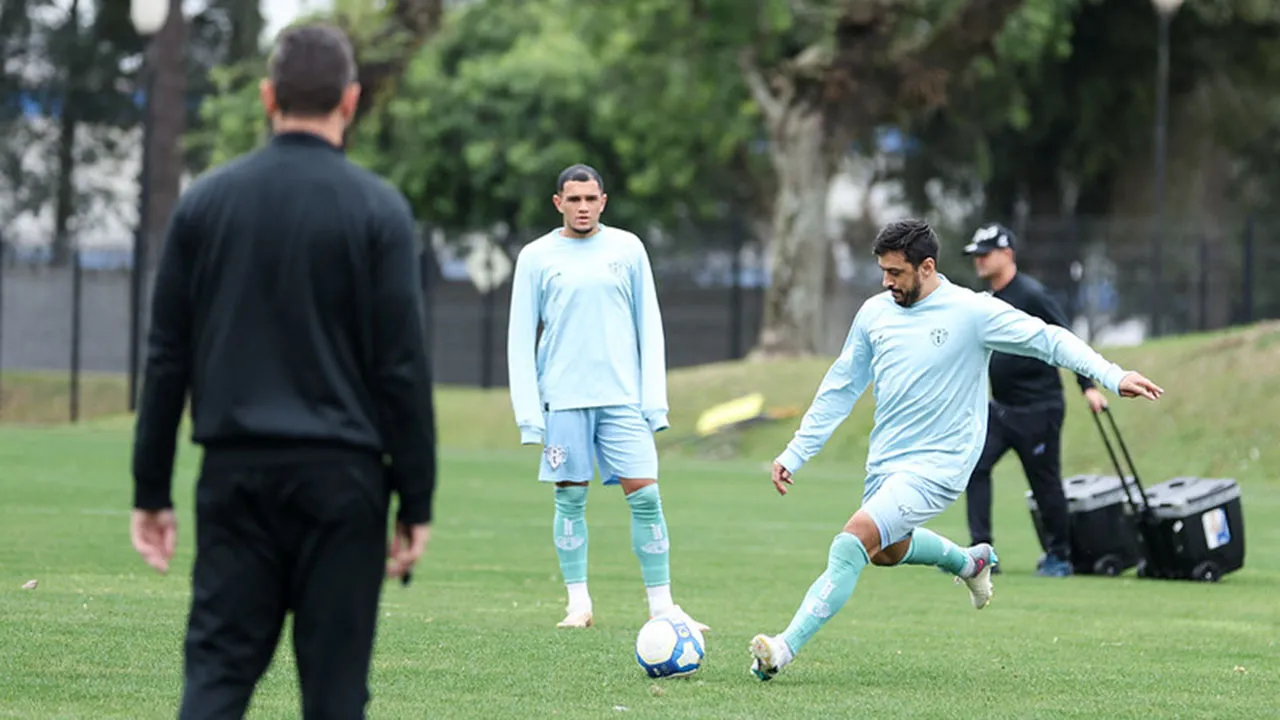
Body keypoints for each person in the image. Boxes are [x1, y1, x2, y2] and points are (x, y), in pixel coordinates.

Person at [129, 23, 437, 719]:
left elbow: (166, 356)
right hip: (345, 482)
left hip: (236, 476)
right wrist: (415, 498)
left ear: (267, 97)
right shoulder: (379, 211)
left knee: (216, 678)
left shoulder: (204, 204)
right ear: (350, 102)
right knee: (334, 694)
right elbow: (401, 368)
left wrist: (151, 487)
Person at [748, 219, 1162, 681]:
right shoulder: (874, 313)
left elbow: (1048, 339)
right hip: (887, 460)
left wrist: (1110, 375)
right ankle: (970, 562)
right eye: (882, 271)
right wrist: (796, 452)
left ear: (927, 267)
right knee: (886, 550)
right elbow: (840, 388)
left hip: (941, 465)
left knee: (853, 540)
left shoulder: (971, 311)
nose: (887, 282)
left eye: (896, 273)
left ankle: (782, 649)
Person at [506, 163, 708, 633]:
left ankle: (663, 606)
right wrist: (529, 416)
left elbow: (649, 327)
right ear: (558, 203)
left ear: (603, 201)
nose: (582, 208)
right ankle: (578, 604)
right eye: (573, 200)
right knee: (570, 499)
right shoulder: (536, 256)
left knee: (647, 497)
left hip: (622, 400)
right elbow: (519, 337)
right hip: (564, 399)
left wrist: (653, 403)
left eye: (590, 199)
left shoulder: (628, 248)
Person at [962, 223, 1107, 577]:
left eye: (986, 253)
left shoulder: (1031, 294)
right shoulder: (989, 301)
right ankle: (982, 554)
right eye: (977, 255)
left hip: (1039, 408)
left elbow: (1064, 338)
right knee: (974, 468)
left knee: (1044, 482)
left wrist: (1087, 385)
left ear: (1007, 254)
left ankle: (1060, 555)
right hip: (1002, 409)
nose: (979, 261)